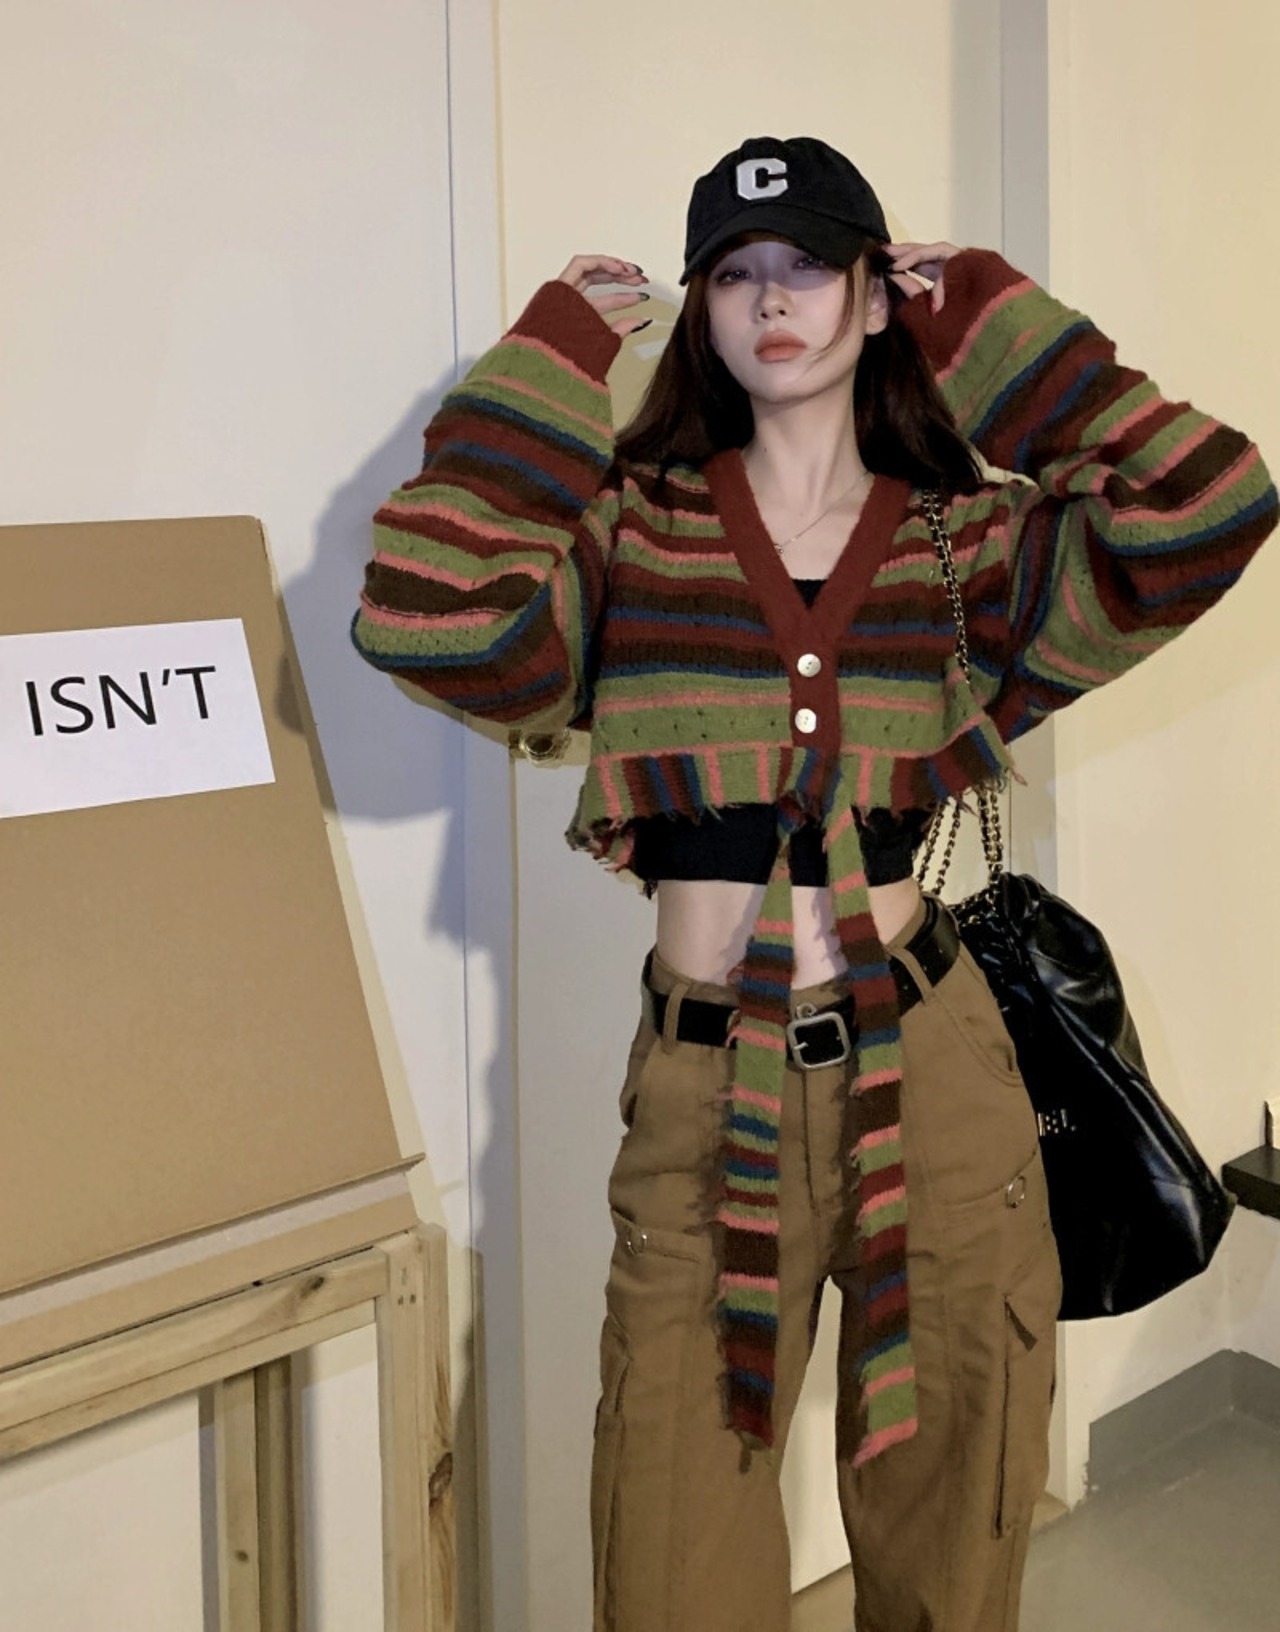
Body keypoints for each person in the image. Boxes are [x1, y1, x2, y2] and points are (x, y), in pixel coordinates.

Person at [352, 136, 1277, 1632]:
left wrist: (993, 322)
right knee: (670, 1552)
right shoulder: (632, 536)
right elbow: (425, 610)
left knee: (953, 1532)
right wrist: (552, 356)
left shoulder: (960, 543)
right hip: (705, 1085)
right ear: (701, 309)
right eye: (736, 273)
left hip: (940, 1068)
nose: (772, 299)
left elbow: (1208, 505)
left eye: (811, 265)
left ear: (875, 294)